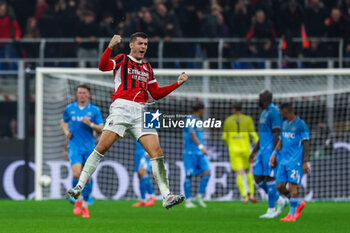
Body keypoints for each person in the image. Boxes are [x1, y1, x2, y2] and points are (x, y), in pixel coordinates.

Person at [67, 32, 188, 209]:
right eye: (140, 43)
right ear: (131, 45)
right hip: (121, 108)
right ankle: (79, 186)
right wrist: (110, 46)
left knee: (157, 152)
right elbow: (102, 66)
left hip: (141, 111)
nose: (143, 47)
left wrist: (177, 83)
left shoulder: (147, 68)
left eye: (146, 44)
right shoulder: (122, 59)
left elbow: (155, 93)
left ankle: (166, 196)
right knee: (101, 147)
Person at [61, 84, 104, 218]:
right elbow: (63, 121)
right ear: (76, 94)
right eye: (80, 92)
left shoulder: (94, 110)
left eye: (84, 93)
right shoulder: (70, 108)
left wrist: (90, 124)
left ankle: (85, 205)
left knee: (87, 178)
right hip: (74, 146)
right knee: (75, 174)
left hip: (89, 147)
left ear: (88, 95)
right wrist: (66, 131)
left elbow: (101, 129)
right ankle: (77, 201)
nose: (82, 95)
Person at [249, 90, 287, 218]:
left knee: (270, 179)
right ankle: (281, 200)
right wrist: (254, 151)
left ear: (265, 99)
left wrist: (274, 153)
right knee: (258, 178)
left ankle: (271, 210)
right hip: (262, 152)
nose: (258, 101)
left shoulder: (274, 112)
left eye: (259, 98)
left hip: (271, 151)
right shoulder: (264, 112)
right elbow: (263, 135)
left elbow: (277, 132)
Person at [269, 103, 309, 222]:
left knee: (292, 186)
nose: (280, 113)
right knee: (280, 187)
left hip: (295, 161)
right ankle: (297, 204)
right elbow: (281, 140)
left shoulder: (301, 125)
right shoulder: (285, 124)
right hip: (283, 161)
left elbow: (306, 143)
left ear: (287, 111)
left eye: (281, 111)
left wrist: (305, 162)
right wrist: (274, 153)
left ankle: (291, 215)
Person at [222, 102, 258, 203]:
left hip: (234, 150)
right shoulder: (248, 119)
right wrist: (258, 144)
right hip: (245, 149)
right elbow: (253, 134)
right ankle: (251, 193)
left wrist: (230, 145)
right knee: (248, 171)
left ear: (233, 109)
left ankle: (244, 196)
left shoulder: (228, 120)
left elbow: (224, 137)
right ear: (241, 109)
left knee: (239, 173)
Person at [183, 102, 211, 208]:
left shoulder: (198, 121)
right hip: (190, 153)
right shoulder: (189, 119)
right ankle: (188, 201)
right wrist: (201, 147)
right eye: (203, 109)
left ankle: (199, 196)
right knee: (189, 176)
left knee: (207, 172)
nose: (204, 111)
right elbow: (192, 134)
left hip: (199, 154)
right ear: (200, 110)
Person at [132, 139, 157, 207]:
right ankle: (143, 199)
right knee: (139, 175)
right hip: (138, 152)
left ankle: (152, 196)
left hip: (144, 150)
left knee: (142, 171)